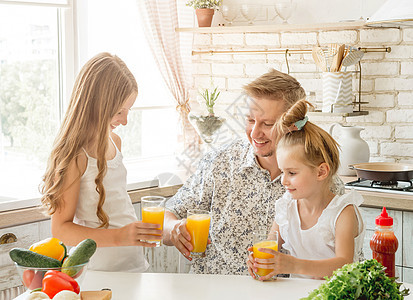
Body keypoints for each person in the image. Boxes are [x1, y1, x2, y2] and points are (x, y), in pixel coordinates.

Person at [163, 69, 345, 275]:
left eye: (267, 124)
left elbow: (345, 268)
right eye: (250, 120)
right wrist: (174, 228)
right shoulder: (220, 163)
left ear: (293, 125)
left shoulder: (321, 183)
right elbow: (167, 217)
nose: (255, 133)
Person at [40, 52, 161, 272]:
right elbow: (60, 228)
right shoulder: (76, 154)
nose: (124, 120)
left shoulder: (114, 141)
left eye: (128, 111)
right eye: (118, 112)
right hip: (100, 270)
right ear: (96, 105)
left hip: (134, 265)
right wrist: (118, 236)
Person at [246, 99, 365, 280]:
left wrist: (292, 264)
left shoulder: (342, 213)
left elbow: (344, 264)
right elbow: (269, 246)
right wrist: (261, 262)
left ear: (321, 172)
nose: (284, 180)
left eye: (292, 172)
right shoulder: (286, 208)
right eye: (283, 171)